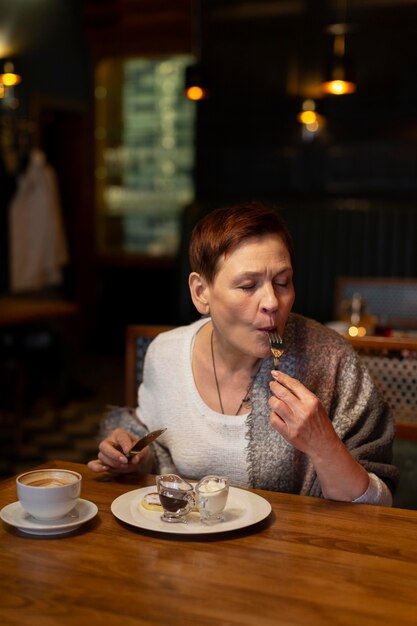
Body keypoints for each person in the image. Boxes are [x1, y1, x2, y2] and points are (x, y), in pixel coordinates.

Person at [88, 201, 399, 504]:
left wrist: (323, 444)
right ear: (201, 292)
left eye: (282, 282)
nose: (272, 302)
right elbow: (155, 445)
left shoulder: (332, 360)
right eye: (248, 286)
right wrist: (134, 456)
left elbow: (378, 502)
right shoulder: (165, 355)